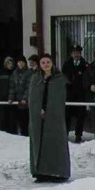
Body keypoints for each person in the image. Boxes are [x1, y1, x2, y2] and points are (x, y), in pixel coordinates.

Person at [28, 54, 70, 182]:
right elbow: (33, 98)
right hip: (38, 118)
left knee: (55, 142)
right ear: (40, 65)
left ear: (52, 63)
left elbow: (60, 98)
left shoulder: (59, 79)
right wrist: (38, 109)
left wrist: (50, 110)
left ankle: (57, 172)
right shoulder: (36, 79)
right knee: (39, 143)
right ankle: (40, 172)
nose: (46, 64)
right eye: (43, 62)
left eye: (48, 62)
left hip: (55, 116)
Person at [61, 44, 87, 143]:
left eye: (78, 53)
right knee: (67, 115)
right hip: (69, 94)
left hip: (80, 94)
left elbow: (86, 78)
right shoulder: (67, 64)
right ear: (71, 54)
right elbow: (63, 76)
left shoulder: (85, 65)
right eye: (74, 53)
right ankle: (65, 134)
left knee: (80, 116)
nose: (76, 54)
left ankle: (78, 135)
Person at [8, 55, 33, 136]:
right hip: (16, 101)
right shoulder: (14, 73)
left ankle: (25, 136)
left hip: (25, 103)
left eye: (22, 62)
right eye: (19, 62)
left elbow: (28, 87)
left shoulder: (29, 73)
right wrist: (11, 98)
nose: (21, 64)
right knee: (14, 120)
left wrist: (25, 99)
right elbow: (12, 87)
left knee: (24, 121)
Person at [0, 56, 16, 133]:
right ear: (5, 64)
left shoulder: (14, 73)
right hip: (1, 99)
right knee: (2, 118)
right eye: (8, 63)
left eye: (11, 63)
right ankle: (3, 133)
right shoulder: (0, 72)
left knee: (11, 118)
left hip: (12, 99)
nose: (10, 65)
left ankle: (12, 134)